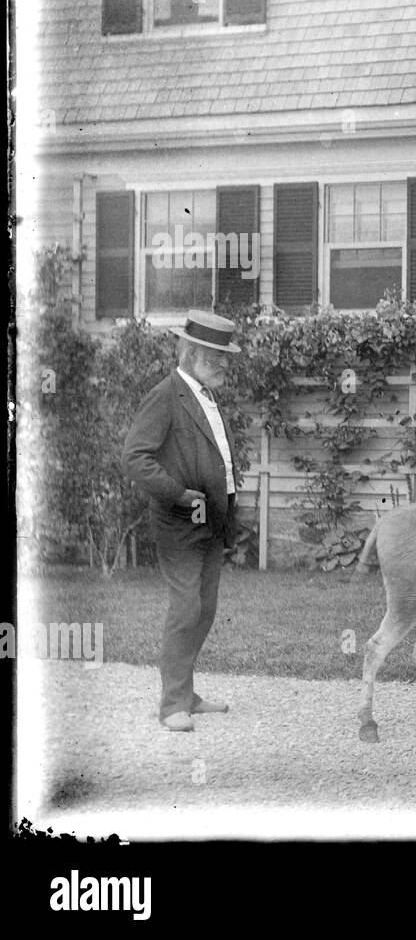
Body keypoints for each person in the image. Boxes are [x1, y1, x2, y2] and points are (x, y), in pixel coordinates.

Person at [123, 310, 241, 732]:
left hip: (210, 521)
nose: (225, 363)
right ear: (191, 352)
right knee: (186, 607)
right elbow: (136, 457)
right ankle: (172, 704)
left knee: (205, 610)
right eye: (217, 355)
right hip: (179, 522)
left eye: (227, 356)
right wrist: (177, 493)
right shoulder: (165, 395)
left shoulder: (206, 395)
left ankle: (187, 694)